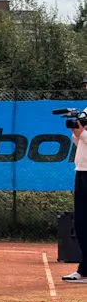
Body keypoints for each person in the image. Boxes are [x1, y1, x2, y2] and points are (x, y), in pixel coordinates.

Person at [64, 75, 87, 284]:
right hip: (81, 170)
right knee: (81, 223)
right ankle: (84, 270)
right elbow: (78, 141)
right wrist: (76, 130)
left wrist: (82, 132)